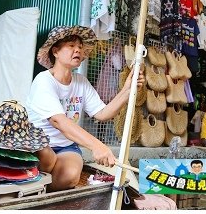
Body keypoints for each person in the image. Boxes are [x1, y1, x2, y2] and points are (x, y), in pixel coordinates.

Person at [26, 26, 144, 191]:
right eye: (71, 46)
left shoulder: (81, 81)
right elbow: (58, 121)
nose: (78, 50)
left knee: (69, 178)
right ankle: (40, 179)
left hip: (66, 146)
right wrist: (97, 146)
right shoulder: (43, 81)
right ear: (55, 51)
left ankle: (45, 184)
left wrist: (127, 90)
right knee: (46, 157)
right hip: (40, 145)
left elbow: (102, 114)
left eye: (80, 47)